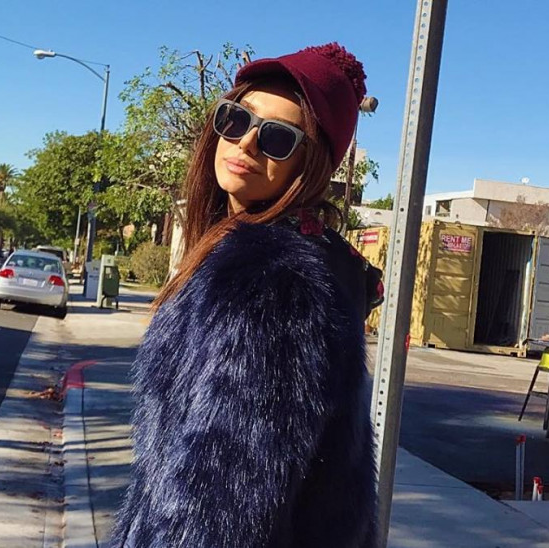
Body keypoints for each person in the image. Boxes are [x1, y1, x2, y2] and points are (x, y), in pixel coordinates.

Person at [107, 43, 384, 548]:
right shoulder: (266, 257)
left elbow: (217, 504)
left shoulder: (273, 284)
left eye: (278, 137)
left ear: (310, 163)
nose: (247, 142)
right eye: (235, 119)